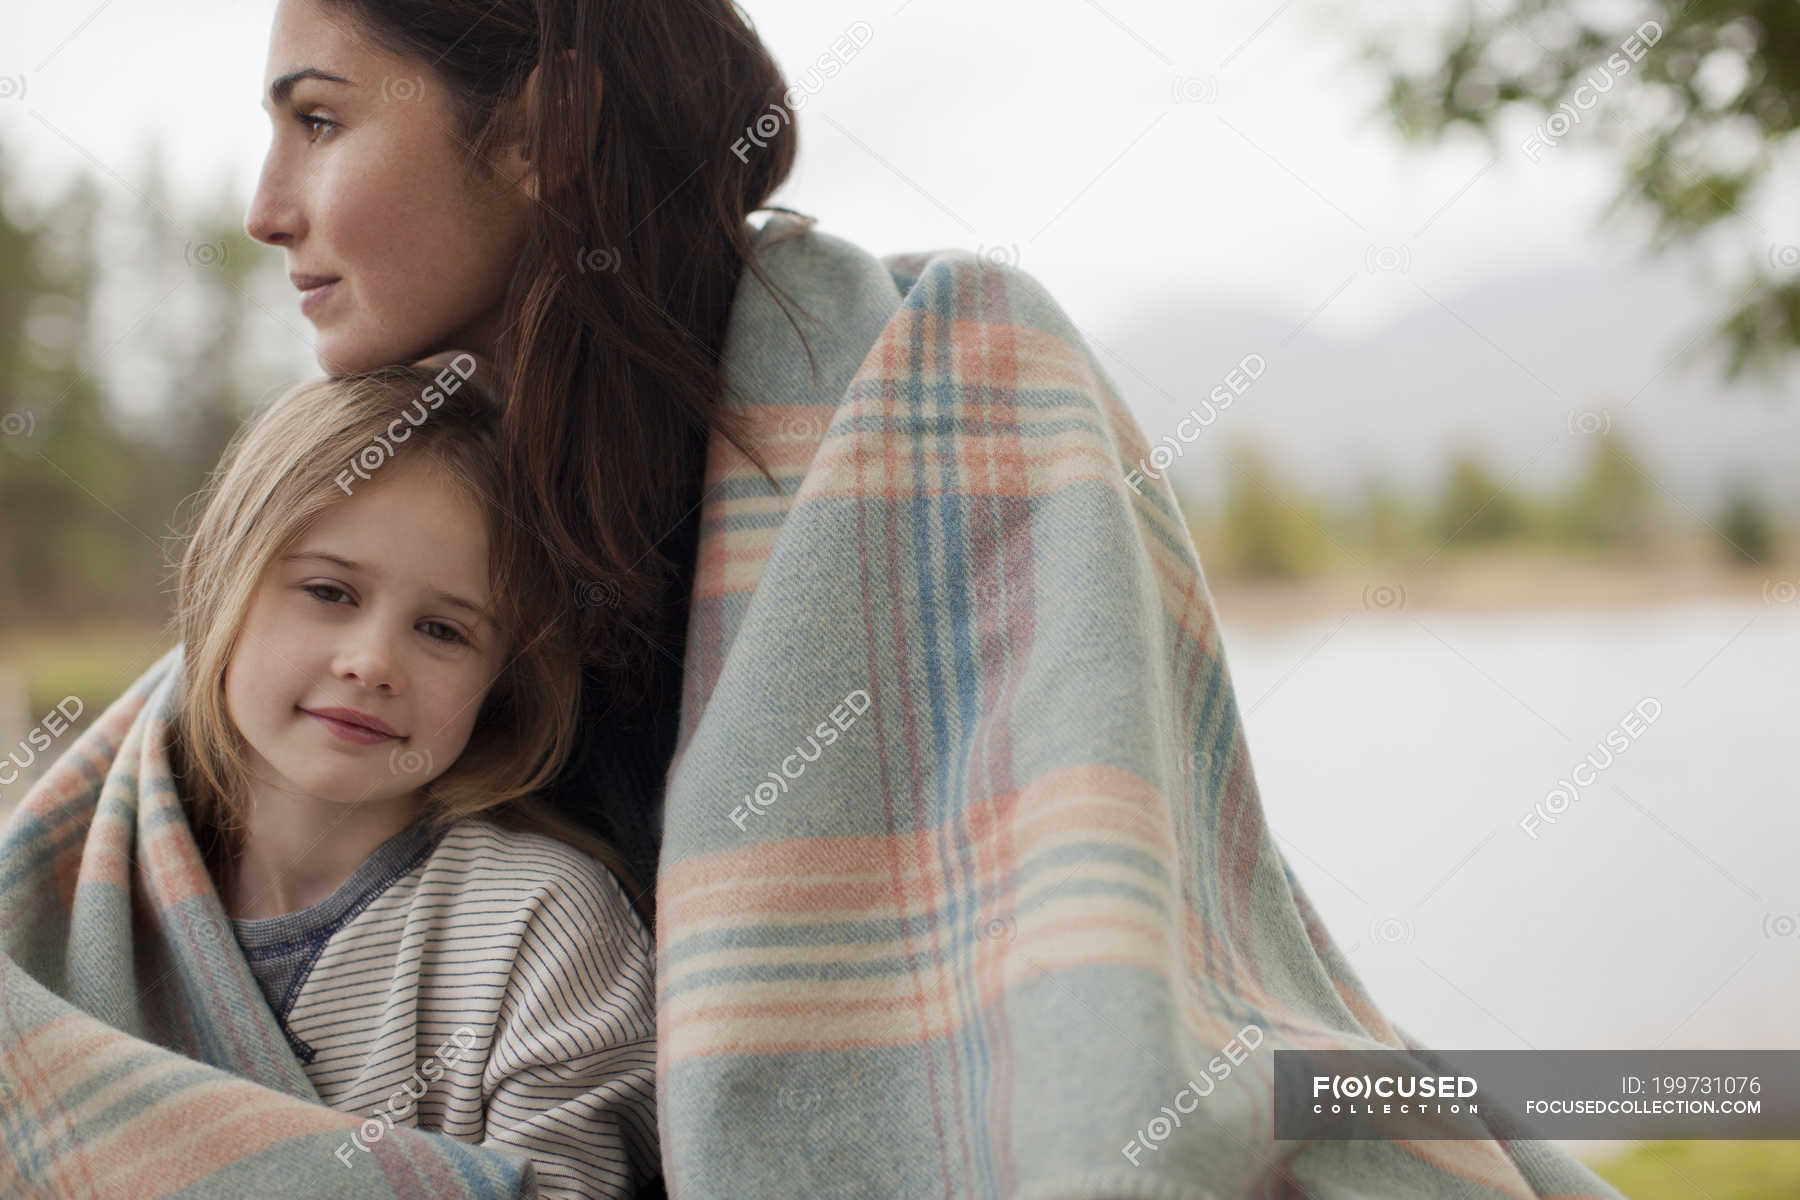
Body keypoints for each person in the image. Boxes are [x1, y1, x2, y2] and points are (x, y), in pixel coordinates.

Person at [167, 357, 658, 1200]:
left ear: (504, 676)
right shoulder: (109, 873)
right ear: (225, 584)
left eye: (442, 630)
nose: (372, 664)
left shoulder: (540, 923)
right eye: (328, 591)